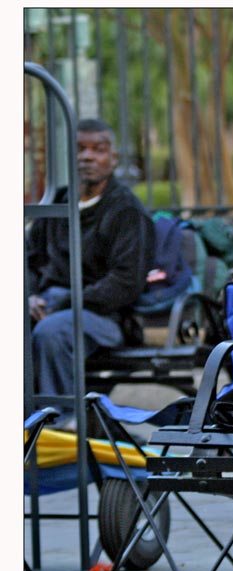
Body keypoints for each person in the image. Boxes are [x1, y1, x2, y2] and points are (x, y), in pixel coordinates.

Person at [26, 118, 155, 425]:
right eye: (80, 149)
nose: (87, 157)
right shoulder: (57, 203)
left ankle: (63, 425)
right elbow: (29, 259)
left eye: (98, 149)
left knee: (52, 331)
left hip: (105, 316)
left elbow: (125, 282)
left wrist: (66, 302)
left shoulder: (127, 211)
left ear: (113, 158)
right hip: (48, 303)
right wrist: (30, 296)